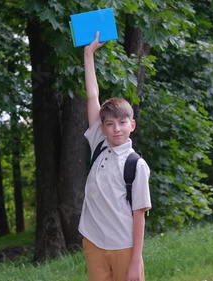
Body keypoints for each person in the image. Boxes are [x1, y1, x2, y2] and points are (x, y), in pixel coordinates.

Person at [79, 31, 152, 281]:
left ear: (132, 125)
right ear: (103, 127)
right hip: (94, 243)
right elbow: (92, 96)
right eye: (110, 124)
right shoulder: (99, 144)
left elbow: (139, 215)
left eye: (122, 123)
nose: (116, 128)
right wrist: (88, 54)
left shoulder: (135, 165)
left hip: (124, 247)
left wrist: (135, 262)